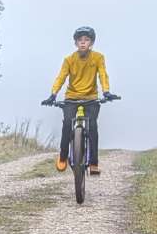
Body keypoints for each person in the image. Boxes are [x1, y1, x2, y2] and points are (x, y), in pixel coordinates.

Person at [40, 26, 119, 174]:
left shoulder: (98, 57)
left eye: (86, 40)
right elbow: (61, 77)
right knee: (67, 125)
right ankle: (63, 157)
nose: (83, 42)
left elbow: (103, 75)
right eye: (80, 40)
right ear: (75, 43)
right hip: (71, 98)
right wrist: (53, 94)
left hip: (91, 98)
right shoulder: (69, 60)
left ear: (91, 43)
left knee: (93, 127)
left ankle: (94, 163)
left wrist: (106, 91)